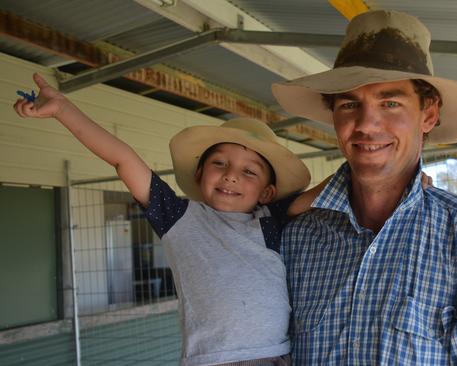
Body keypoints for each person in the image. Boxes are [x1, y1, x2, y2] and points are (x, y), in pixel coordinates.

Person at [272, 10, 457, 365]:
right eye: (349, 104)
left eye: (390, 103)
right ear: (334, 116)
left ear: (428, 114)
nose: (367, 124)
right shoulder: (296, 240)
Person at [13, 73, 318, 366]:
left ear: (267, 192)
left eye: (249, 171)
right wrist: (63, 110)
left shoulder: (270, 219)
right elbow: (123, 159)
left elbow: (327, 190)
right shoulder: (180, 217)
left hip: (278, 354)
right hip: (212, 359)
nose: (230, 175)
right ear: (199, 175)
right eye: (219, 163)